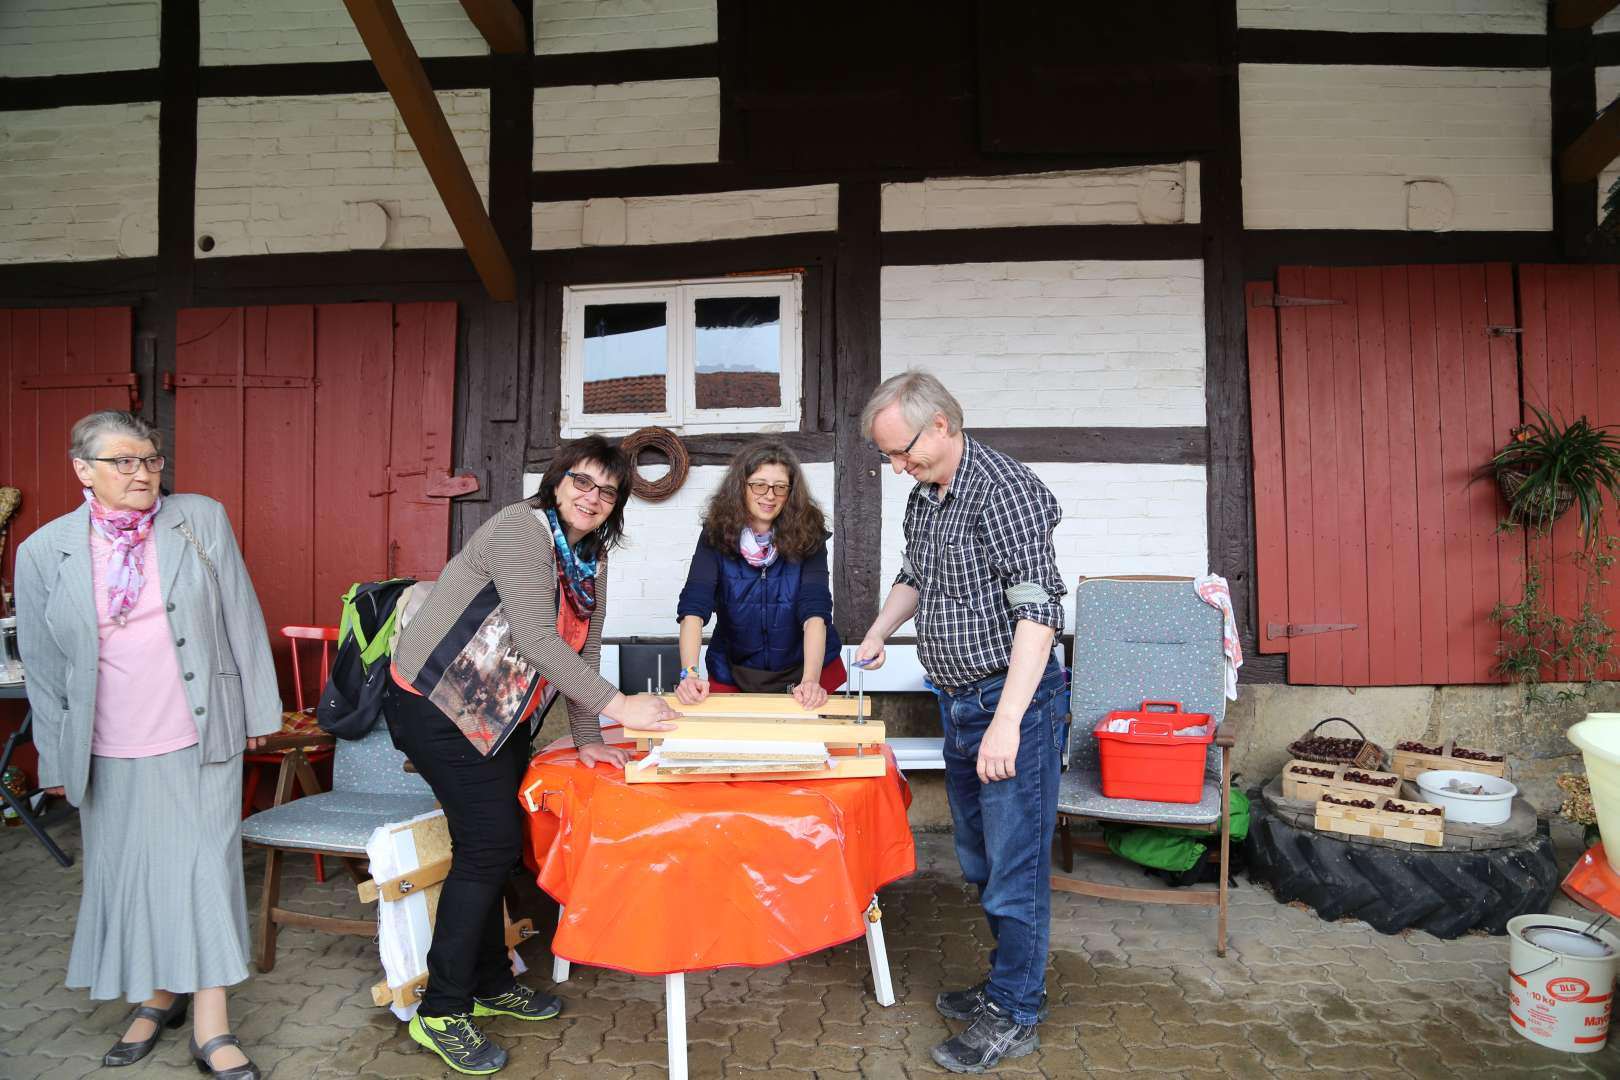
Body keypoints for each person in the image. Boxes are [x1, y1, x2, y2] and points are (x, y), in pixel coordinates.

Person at [387, 434, 680, 1076]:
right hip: (436, 702)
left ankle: (491, 983)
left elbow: (585, 648)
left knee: (498, 844)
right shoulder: (521, 530)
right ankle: (441, 1010)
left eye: (608, 492)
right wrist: (621, 705)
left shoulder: (590, 557)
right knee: (487, 846)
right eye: (582, 481)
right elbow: (536, 637)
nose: (593, 498)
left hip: (499, 712)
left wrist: (590, 735)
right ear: (557, 480)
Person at [14, 410, 281, 1080]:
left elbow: (241, 611)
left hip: (200, 730)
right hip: (106, 743)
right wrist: (53, 756)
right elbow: (44, 669)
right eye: (124, 462)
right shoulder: (44, 551)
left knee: (205, 869)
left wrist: (260, 706)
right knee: (129, 874)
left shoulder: (198, 520)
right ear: (84, 470)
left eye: (151, 460)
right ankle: (157, 996)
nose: (142, 474)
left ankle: (212, 1024)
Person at [853, 371, 1067, 1073]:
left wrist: (1008, 723)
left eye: (902, 451)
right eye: (887, 456)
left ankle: (1016, 1011)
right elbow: (915, 575)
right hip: (959, 703)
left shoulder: (1006, 492)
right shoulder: (926, 496)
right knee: (980, 860)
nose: (896, 467)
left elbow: (1039, 612)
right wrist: (879, 630)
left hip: (1012, 706)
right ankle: (1008, 982)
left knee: (1015, 867)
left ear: (941, 424)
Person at [674, 441, 844, 709]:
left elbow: (815, 609)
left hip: (807, 668)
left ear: (791, 492)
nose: (770, 495)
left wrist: (811, 681)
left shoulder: (810, 535)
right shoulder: (714, 536)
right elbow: (694, 607)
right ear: (740, 486)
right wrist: (690, 674)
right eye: (759, 485)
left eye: (780, 487)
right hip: (734, 669)